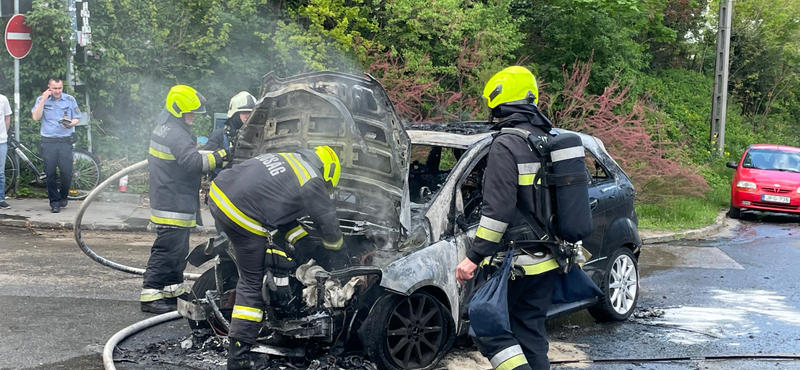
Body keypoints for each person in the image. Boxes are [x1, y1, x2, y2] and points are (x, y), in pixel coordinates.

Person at [455, 66, 561, 370]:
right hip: (550, 259)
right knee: (530, 333)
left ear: (501, 105)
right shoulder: (547, 139)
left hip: (517, 264)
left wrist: (473, 257)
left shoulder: (505, 144)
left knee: (490, 330)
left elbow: (497, 211)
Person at [207, 146, 350, 370]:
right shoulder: (312, 180)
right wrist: (338, 256)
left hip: (218, 195)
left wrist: (304, 245)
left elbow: (281, 213)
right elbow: (329, 224)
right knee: (252, 283)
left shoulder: (289, 160)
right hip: (243, 213)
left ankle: (223, 303)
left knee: (241, 261)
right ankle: (240, 359)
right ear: (328, 173)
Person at [140, 85, 228, 314]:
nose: (193, 117)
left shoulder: (168, 127)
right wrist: (221, 156)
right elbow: (194, 163)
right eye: (191, 113)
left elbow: (185, 157)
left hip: (171, 195)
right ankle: (150, 294)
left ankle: (173, 290)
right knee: (167, 248)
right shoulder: (176, 133)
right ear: (179, 110)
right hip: (172, 199)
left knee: (178, 249)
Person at [30, 78, 81, 213]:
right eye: (55, 88)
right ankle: (54, 202)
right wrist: (42, 100)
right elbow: (35, 117)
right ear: (49, 88)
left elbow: (77, 117)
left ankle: (63, 195)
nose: (58, 91)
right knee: (50, 173)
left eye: (60, 88)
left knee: (66, 172)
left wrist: (70, 124)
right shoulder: (42, 99)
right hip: (48, 142)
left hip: (64, 141)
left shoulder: (69, 99)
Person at [0, 93, 11, 209]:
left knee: (1, 173)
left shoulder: (3, 99)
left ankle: (1, 199)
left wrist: (4, 133)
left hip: (1, 141)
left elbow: (7, 117)